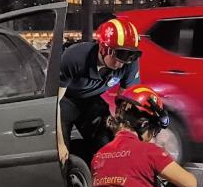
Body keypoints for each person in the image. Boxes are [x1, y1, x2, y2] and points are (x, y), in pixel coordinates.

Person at [58, 18, 143, 162]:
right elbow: (54, 102)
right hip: (66, 100)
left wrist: (125, 133)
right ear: (103, 48)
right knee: (61, 155)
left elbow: (125, 103)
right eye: (120, 54)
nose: (123, 62)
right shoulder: (74, 58)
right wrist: (60, 144)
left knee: (108, 146)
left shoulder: (129, 63)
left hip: (92, 100)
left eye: (131, 55)